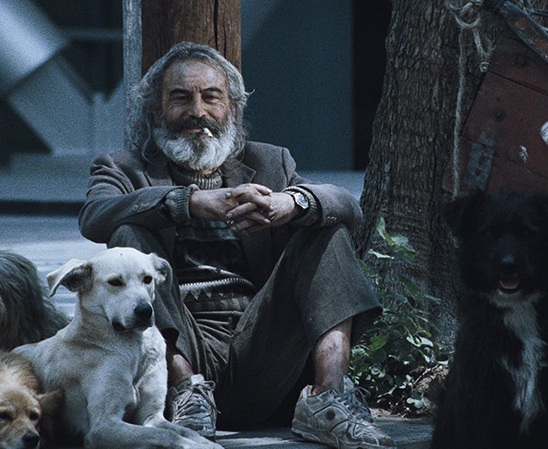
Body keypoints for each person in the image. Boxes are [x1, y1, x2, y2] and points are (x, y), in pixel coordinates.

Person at [78, 42, 397, 449]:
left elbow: (347, 205)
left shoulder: (270, 163)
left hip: (262, 350)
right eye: (181, 98)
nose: (197, 111)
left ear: (232, 110)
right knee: (128, 237)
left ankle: (328, 401)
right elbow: (95, 215)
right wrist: (188, 202)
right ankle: (187, 392)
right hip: (177, 351)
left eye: (211, 97)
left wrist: (291, 203)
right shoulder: (123, 168)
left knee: (326, 229)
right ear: (156, 112)